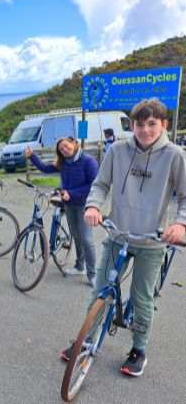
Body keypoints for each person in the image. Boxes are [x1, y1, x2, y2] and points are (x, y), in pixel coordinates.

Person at [60, 98, 186, 377]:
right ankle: (87, 339)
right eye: (139, 124)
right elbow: (101, 184)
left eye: (152, 124)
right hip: (117, 234)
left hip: (151, 241)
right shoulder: (117, 151)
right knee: (99, 291)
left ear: (164, 124)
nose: (144, 130)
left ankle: (138, 349)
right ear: (132, 125)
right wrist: (93, 205)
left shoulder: (175, 155)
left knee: (141, 299)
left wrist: (180, 225)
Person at [25, 138, 99, 286]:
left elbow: (94, 185)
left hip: (85, 205)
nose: (64, 150)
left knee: (87, 240)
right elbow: (45, 168)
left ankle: (93, 275)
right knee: (77, 237)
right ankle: (79, 266)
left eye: (66, 146)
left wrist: (71, 193)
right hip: (69, 205)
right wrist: (31, 156)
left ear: (73, 143)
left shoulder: (88, 161)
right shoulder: (64, 162)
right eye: (61, 149)